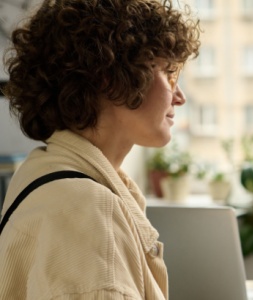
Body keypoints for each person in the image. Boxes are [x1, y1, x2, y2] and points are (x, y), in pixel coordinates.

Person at [0, 0, 200, 298]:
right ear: (109, 78)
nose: (180, 96)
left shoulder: (45, 171)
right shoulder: (89, 211)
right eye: (169, 73)